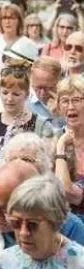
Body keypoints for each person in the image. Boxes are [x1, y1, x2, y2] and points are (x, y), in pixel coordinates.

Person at [0, 66, 48, 158]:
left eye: (16, 94)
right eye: (5, 93)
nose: (9, 99)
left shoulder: (40, 125)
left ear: (26, 95)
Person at [55, 76, 84, 219]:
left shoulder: (57, 143)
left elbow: (69, 193)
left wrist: (60, 149)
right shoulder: (52, 140)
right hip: (58, 221)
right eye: (65, 101)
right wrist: (60, 144)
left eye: (77, 100)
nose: (71, 106)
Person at [28, 56, 62, 120]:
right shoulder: (22, 102)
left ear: (58, 81)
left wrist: (60, 115)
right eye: (38, 87)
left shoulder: (70, 103)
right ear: (31, 81)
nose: (42, 93)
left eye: (48, 88)